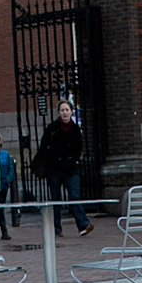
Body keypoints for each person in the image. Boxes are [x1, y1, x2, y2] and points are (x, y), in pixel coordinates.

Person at [33, 101, 91, 236]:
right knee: (55, 198)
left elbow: (79, 147)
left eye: (67, 110)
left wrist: (72, 159)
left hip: (70, 169)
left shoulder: (76, 129)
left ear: (71, 112)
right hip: (54, 169)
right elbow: (44, 147)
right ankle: (56, 228)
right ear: (59, 112)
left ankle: (83, 224)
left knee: (74, 196)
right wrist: (54, 159)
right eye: (62, 110)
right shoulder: (52, 129)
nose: (64, 112)